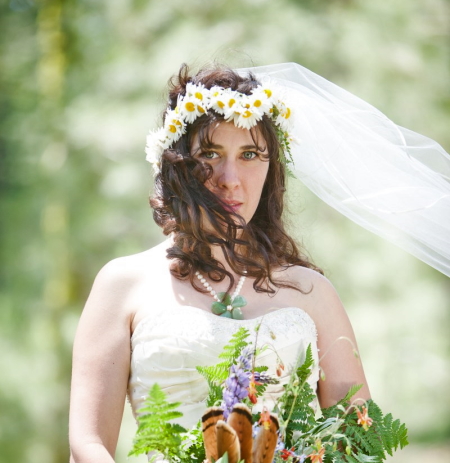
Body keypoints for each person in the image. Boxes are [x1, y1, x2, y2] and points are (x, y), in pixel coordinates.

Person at [69, 62, 449, 462]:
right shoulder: (122, 284)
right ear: (177, 165)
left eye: (250, 154)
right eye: (210, 155)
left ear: (272, 170)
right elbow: (86, 443)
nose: (230, 177)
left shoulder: (310, 292)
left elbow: (359, 441)